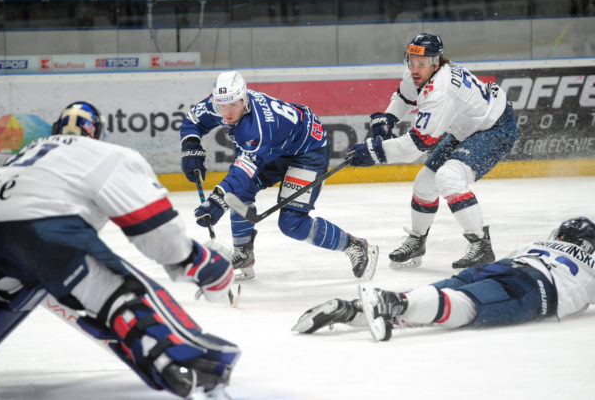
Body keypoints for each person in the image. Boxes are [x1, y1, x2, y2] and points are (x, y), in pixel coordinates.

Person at [0, 102, 240, 398]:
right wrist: (199, 261)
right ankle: (190, 364)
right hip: (39, 226)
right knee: (118, 290)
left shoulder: (32, 150)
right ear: (98, 132)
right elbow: (155, 230)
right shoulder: (106, 154)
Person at [180, 71, 379, 281]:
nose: (226, 112)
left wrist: (216, 201)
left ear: (244, 99)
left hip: (307, 151)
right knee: (241, 192)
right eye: (222, 105)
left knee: (292, 223)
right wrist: (190, 146)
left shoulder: (256, 128)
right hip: (276, 147)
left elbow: (241, 172)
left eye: (233, 105)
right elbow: (192, 120)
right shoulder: (220, 102)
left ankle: (355, 245)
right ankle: (243, 253)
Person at [347, 33, 517, 269]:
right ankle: (417, 239)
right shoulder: (419, 70)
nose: (415, 69)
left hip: (495, 128)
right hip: (469, 128)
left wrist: (373, 152)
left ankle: (481, 244)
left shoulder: (441, 91)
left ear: (436, 62)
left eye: (421, 64)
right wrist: (388, 119)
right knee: (424, 184)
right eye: (412, 61)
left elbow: (414, 147)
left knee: (449, 177)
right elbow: (405, 96)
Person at [292, 217, 595, 342]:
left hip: (508, 265)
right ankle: (392, 302)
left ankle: (353, 309)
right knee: (467, 307)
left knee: (435, 296)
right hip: (537, 284)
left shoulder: (537, 244)